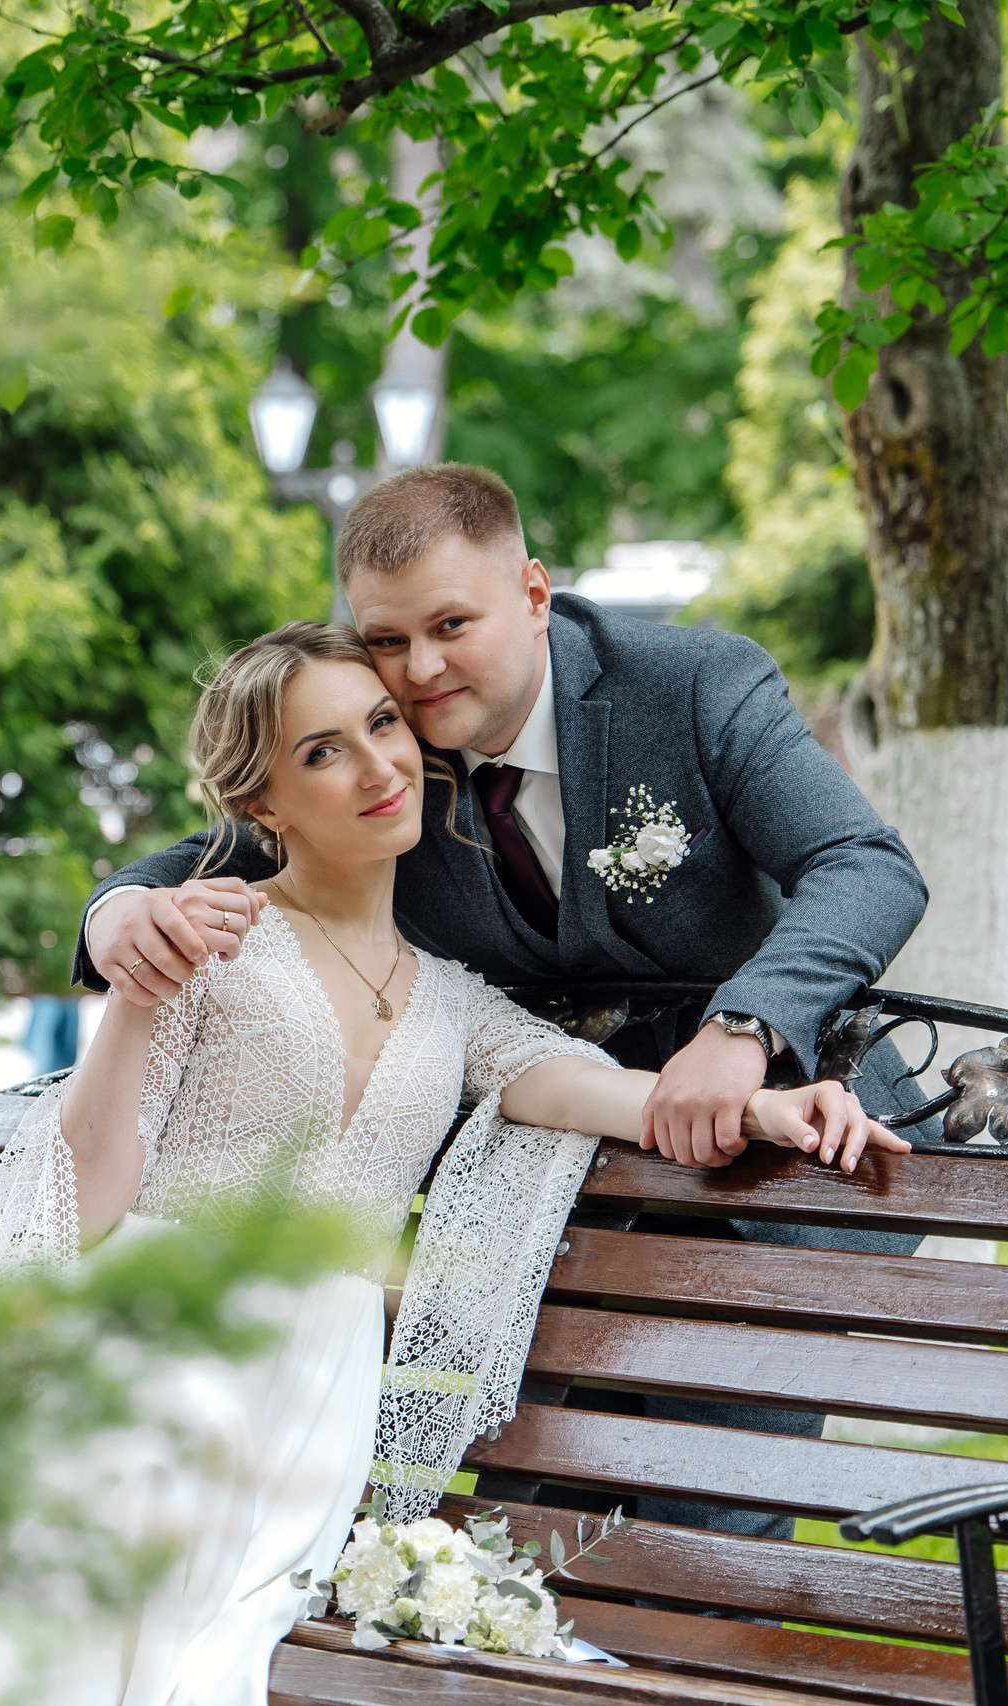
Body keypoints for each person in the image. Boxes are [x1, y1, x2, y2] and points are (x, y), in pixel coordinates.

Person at [0, 624, 905, 1706]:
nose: (377, 767)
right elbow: (88, 1201)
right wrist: (135, 993)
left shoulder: (451, 998)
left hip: (312, 1390)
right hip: (158, 1349)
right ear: (260, 803)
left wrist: (770, 1102)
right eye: (321, 752)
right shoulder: (211, 945)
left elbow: (600, 1089)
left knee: (220, 1643)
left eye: (381, 727)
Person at [76, 465, 933, 1539]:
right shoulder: (386, 757)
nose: (421, 670)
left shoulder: (694, 683)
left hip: (764, 1156)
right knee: (529, 1483)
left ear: (533, 593)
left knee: (704, 1479)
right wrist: (113, 918)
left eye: (451, 624)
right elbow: (202, 849)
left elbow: (865, 864)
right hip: (557, 1159)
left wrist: (743, 1029)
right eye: (388, 639)